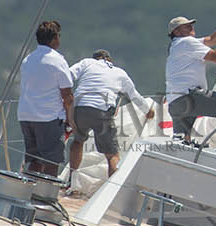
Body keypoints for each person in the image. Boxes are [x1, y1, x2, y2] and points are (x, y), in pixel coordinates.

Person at [66, 50, 153, 185]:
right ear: (109, 60)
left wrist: (67, 99)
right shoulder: (120, 73)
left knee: (78, 141)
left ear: (95, 59)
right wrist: (148, 111)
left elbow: (67, 76)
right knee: (112, 154)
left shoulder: (87, 63)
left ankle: (71, 179)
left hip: (80, 107)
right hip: (102, 111)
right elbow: (134, 95)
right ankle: (110, 189)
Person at [165, 14, 216, 145]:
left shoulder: (177, 45)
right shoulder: (187, 42)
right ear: (177, 31)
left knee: (182, 144)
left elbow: (212, 40)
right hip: (189, 96)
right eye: (187, 26)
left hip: (175, 102)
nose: (191, 27)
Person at [18, 20, 74, 177]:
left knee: (33, 160)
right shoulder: (58, 61)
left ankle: (28, 192)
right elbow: (67, 96)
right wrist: (71, 120)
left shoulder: (27, 60)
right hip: (48, 117)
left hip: (26, 116)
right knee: (51, 161)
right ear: (54, 38)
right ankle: (44, 196)